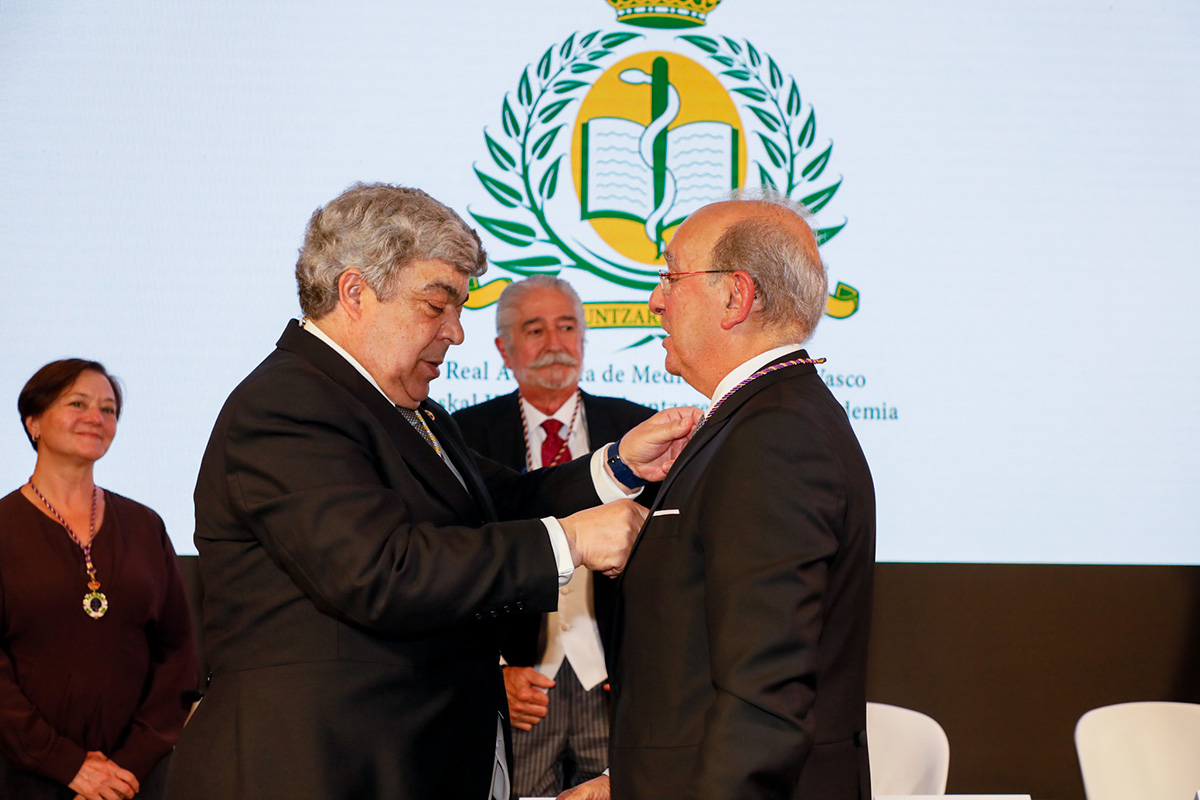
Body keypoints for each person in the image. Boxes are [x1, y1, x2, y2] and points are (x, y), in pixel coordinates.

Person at [163, 182, 699, 800]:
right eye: (436, 305)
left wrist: (618, 466)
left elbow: (503, 504)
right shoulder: (289, 404)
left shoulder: (407, 410)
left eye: (460, 307)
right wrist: (569, 541)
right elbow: (381, 572)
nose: (457, 332)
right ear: (355, 292)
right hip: (317, 768)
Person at [565, 195, 876, 800]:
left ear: (736, 296)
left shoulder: (776, 436)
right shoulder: (763, 418)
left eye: (669, 276)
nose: (654, 300)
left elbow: (764, 693)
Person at [453, 276, 655, 796]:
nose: (555, 343)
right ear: (504, 348)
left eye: (567, 327)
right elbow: (451, 563)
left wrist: (645, 664)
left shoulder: (637, 431)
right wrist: (493, 673)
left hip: (616, 688)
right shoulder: (464, 436)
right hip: (520, 688)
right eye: (535, 329)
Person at [0, 359, 197, 800]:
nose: (96, 418)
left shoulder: (146, 526)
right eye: (78, 403)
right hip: (26, 775)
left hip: (131, 781)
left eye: (108, 410)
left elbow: (178, 654)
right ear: (33, 422)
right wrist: (67, 765)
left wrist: (128, 765)